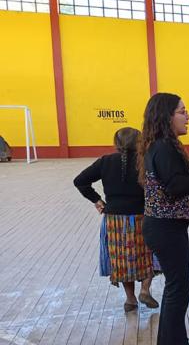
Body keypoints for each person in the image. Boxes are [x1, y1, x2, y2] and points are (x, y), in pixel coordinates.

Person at [138, 93, 189, 344]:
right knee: (178, 288)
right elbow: (174, 187)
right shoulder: (163, 147)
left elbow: (172, 180)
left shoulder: (162, 145)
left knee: (176, 288)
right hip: (165, 228)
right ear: (166, 116)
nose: (188, 116)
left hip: (165, 227)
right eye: (182, 111)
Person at [74, 127, 159, 313]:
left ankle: (130, 300)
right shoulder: (145, 161)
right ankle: (145, 289)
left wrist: (97, 200)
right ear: (139, 142)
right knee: (149, 254)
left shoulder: (105, 161)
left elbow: (79, 181)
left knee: (123, 259)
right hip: (142, 216)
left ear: (117, 144)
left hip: (114, 219)